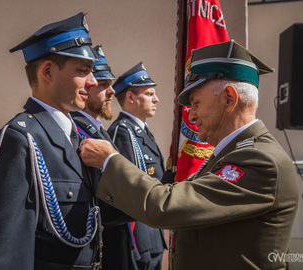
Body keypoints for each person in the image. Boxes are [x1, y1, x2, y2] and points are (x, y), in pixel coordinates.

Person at [78, 40, 300, 270]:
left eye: (196, 103)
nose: (191, 117)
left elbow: (167, 205)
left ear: (229, 98)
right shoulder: (234, 153)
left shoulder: (259, 161)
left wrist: (109, 160)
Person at [0, 13, 103, 270]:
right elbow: (2, 251)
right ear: (48, 71)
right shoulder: (20, 139)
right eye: (82, 70)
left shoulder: (80, 135)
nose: (93, 81)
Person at [71, 45, 137, 270]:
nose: (111, 91)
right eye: (103, 84)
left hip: (118, 239)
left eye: (110, 84)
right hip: (103, 243)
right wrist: (143, 203)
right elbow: (99, 201)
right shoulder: (78, 132)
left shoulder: (97, 130)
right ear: (86, 86)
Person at [107, 63, 167, 270]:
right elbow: (127, 188)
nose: (156, 99)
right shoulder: (122, 132)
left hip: (152, 236)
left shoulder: (141, 131)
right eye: (149, 94)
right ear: (131, 97)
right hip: (137, 239)